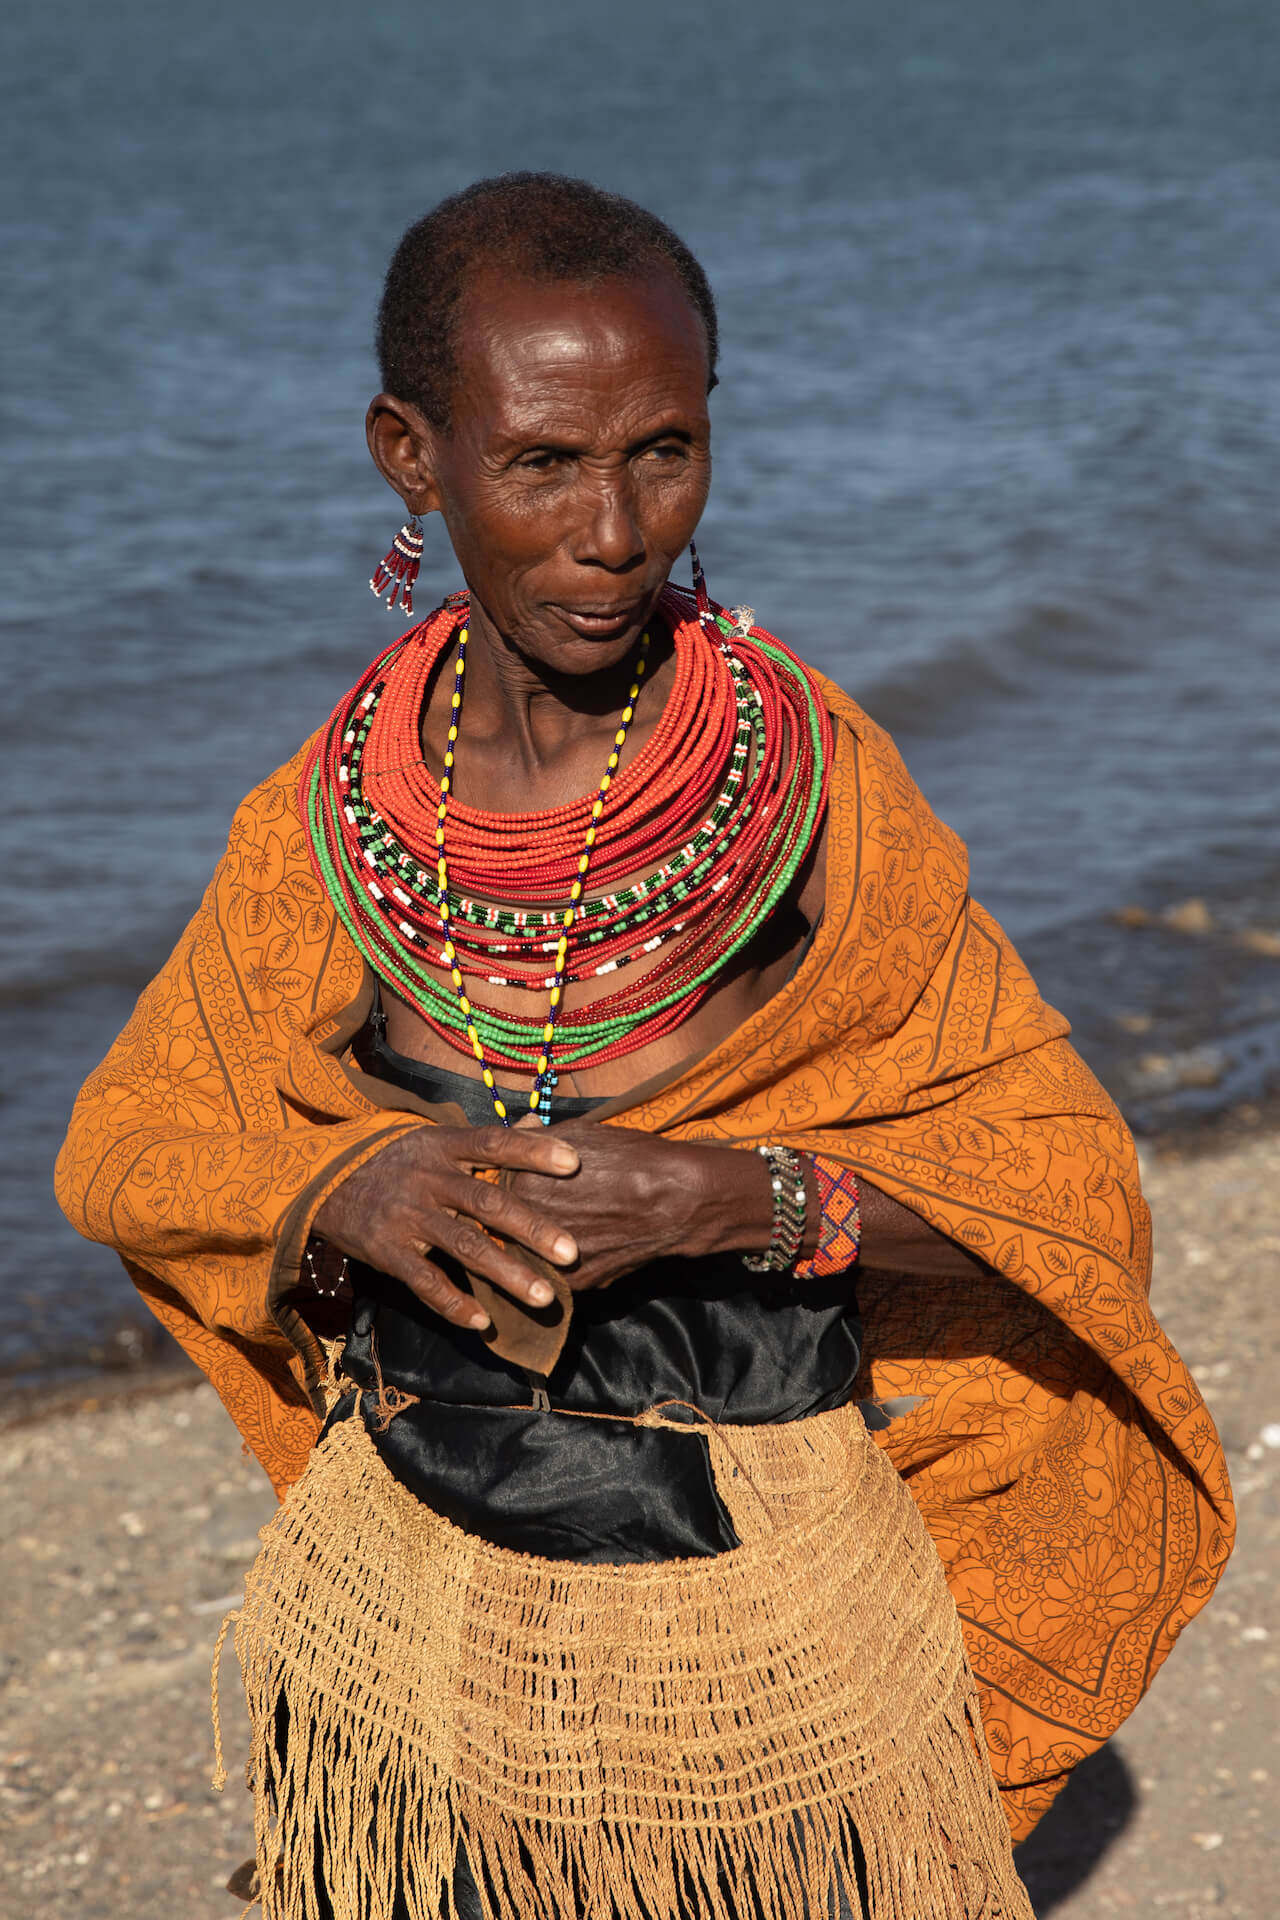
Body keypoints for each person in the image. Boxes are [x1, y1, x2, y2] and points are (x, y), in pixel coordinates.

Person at [56, 175, 1231, 1920]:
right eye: (540, 463)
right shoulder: (320, 820)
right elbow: (138, 1142)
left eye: (663, 452)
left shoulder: (815, 776)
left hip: (762, 1616)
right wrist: (344, 1179)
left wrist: (731, 1197)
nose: (615, 530)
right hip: (406, 1610)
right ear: (413, 454)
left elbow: (1059, 1178)